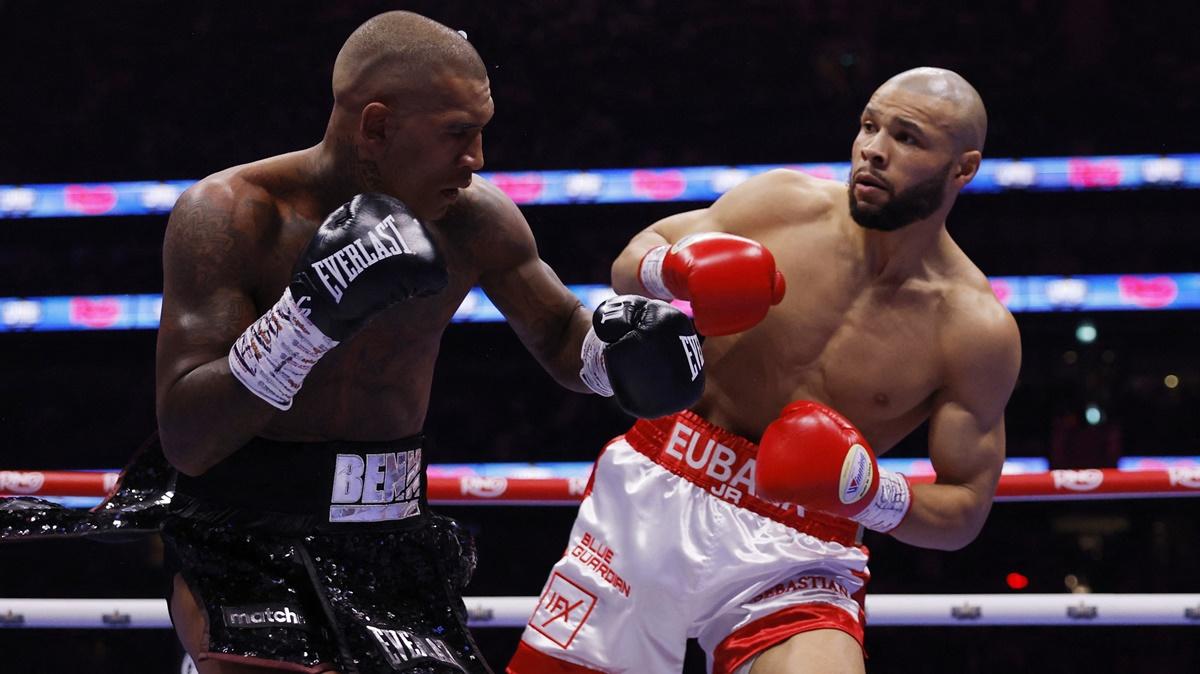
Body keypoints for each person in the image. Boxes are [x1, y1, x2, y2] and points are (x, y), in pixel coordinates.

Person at [155, 11, 704, 674]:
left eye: (480, 134)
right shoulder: (234, 215)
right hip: (242, 532)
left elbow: (562, 334)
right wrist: (305, 320)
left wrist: (616, 355)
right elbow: (186, 438)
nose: (476, 160)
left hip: (391, 536)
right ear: (378, 126)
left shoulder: (474, 221)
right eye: (457, 135)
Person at [508, 67, 1022, 674]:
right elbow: (634, 256)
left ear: (962, 168)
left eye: (907, 139)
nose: (873, 150)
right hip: (660, 483)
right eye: (869, 126)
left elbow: (964, 509)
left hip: (800, 548)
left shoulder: (973, 329)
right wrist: (672, 271)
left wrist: (866, 493)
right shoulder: (782, 205)